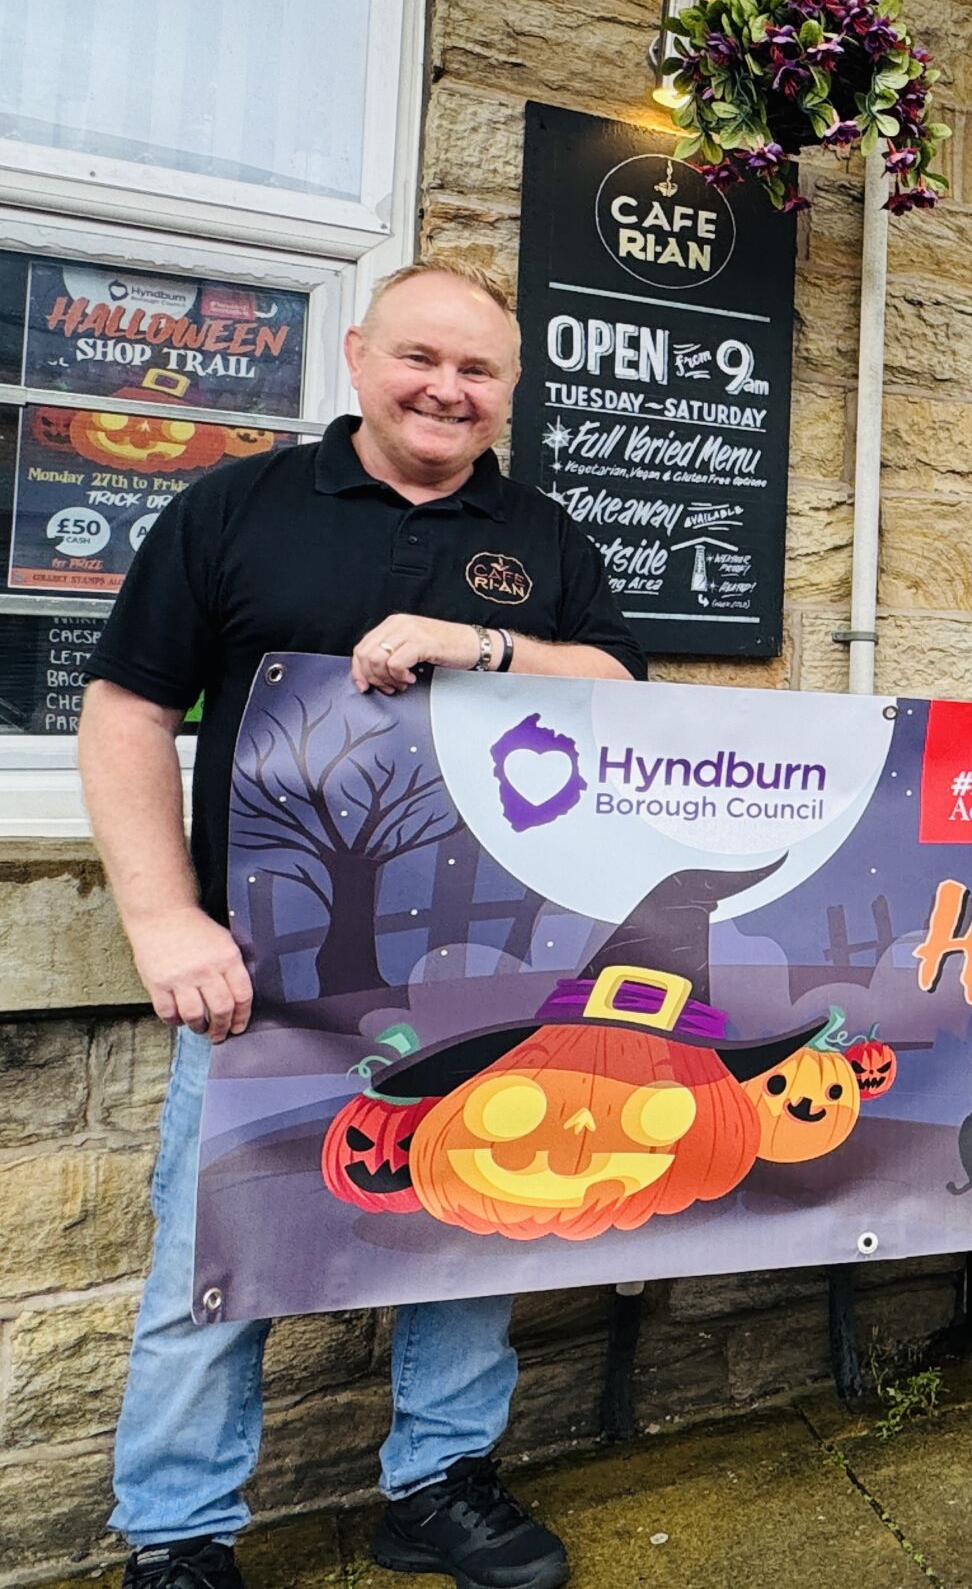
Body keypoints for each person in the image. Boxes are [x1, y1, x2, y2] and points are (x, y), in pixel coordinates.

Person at [81, 263, 647, 1589]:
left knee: (474, 1215)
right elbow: (126, 711)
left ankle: (438, 1484)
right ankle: (177, 1533)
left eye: (479, 370)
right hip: (259, 972)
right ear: (356, 354)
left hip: (483, 965)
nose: (447, 389)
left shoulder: (543, 536)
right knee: (218, 1249)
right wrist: (163, 918)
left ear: (511, 388)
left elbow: (622, 689)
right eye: (420, 358)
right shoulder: (238, 507)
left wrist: (485, 644)